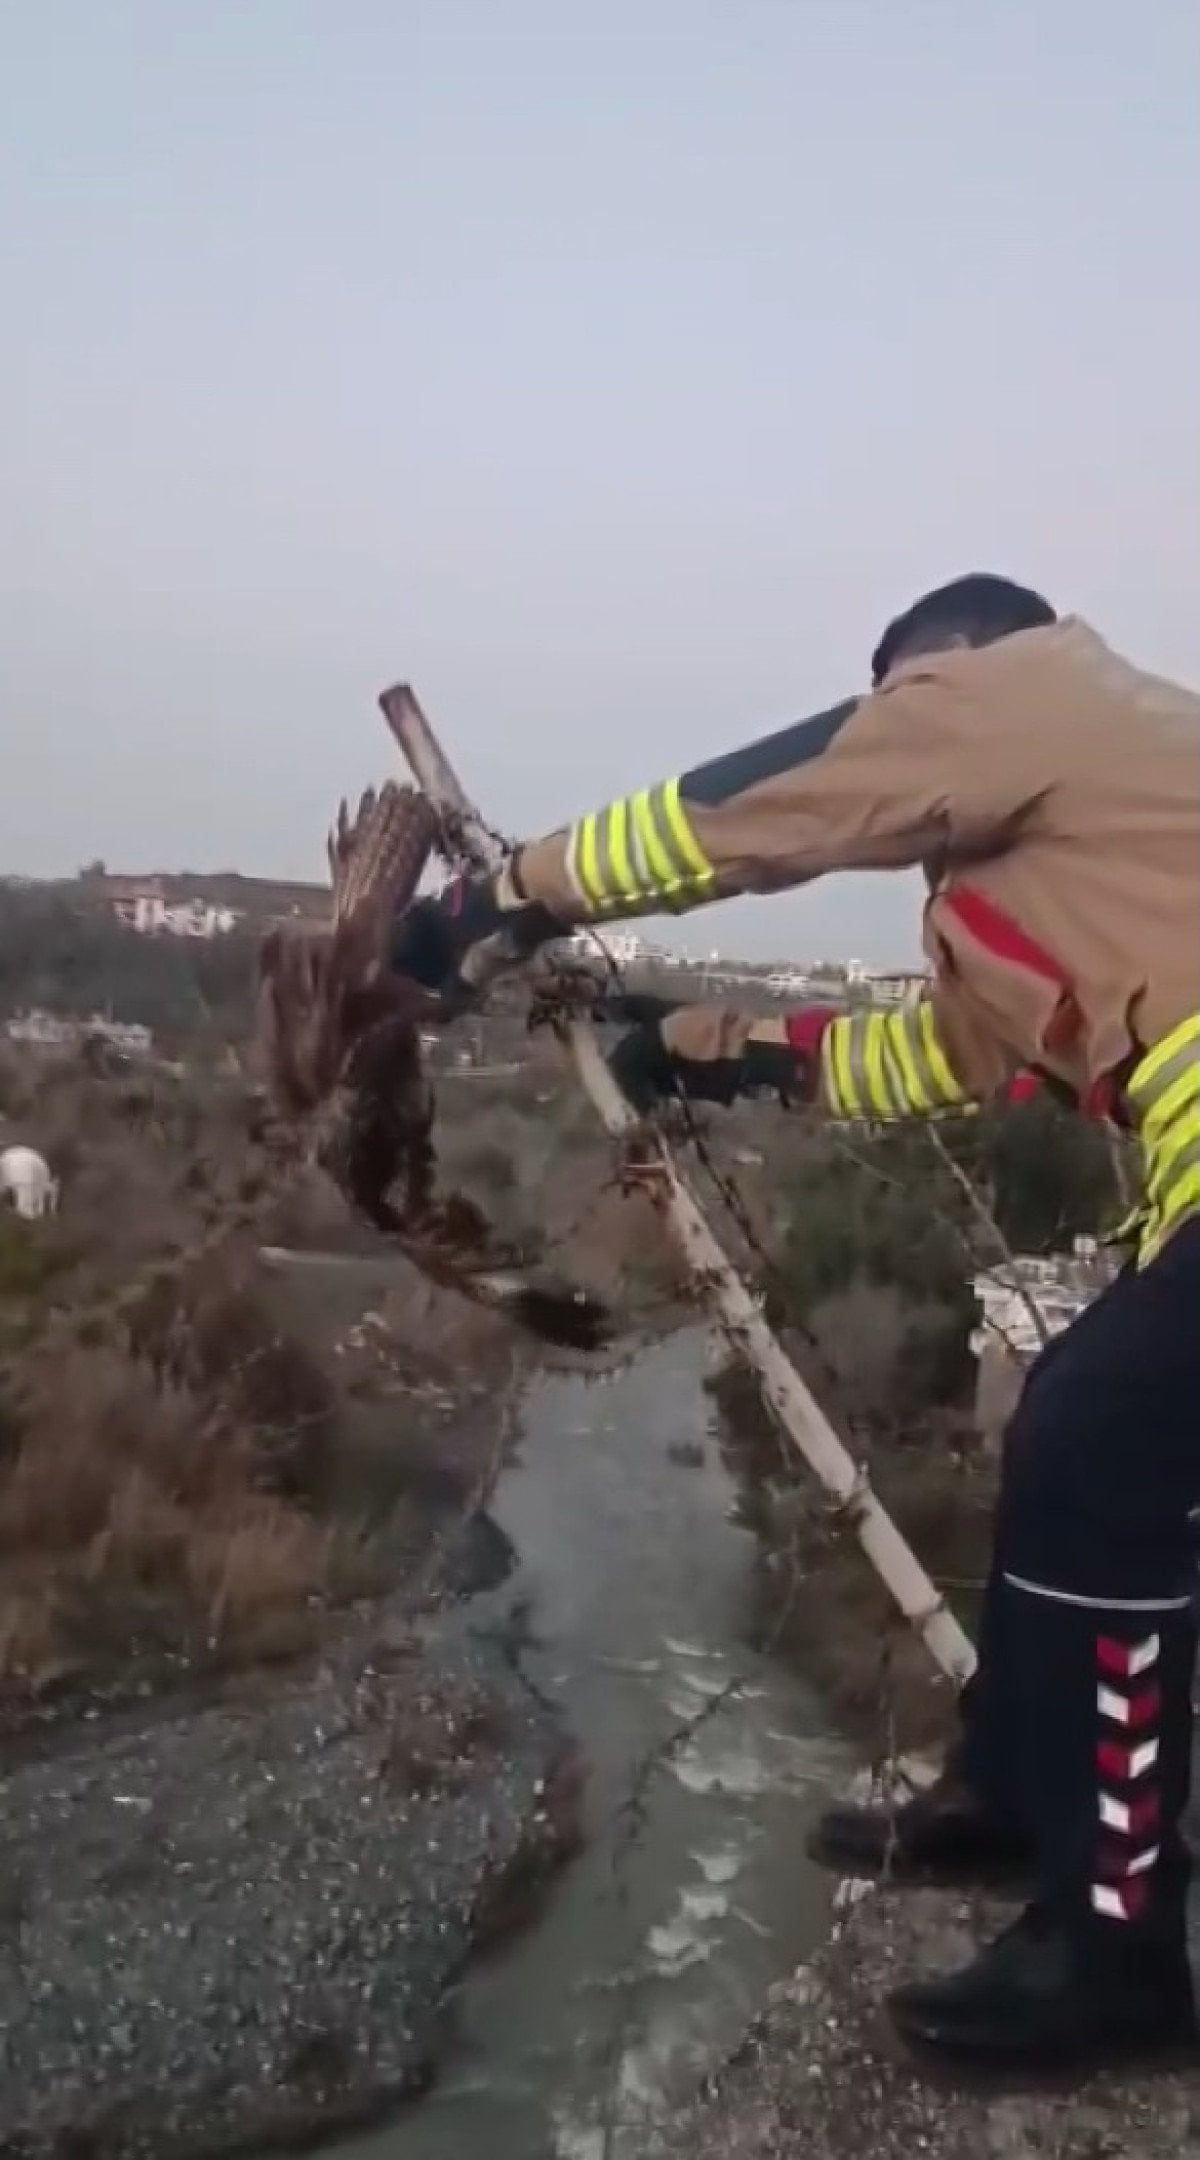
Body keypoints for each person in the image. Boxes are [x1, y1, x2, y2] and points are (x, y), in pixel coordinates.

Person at [390, 573, 1200, 2074]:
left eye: (905, 699)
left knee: (1096, 1441)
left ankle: (1123, 1948)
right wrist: (708, 1051)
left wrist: (503, 899)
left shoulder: (1033, 680)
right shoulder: (1069, 863)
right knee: (1074, 1443)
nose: (905, 729)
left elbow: (755, 809)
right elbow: (932, 1056)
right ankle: (1018, 1796)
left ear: (946, 667)